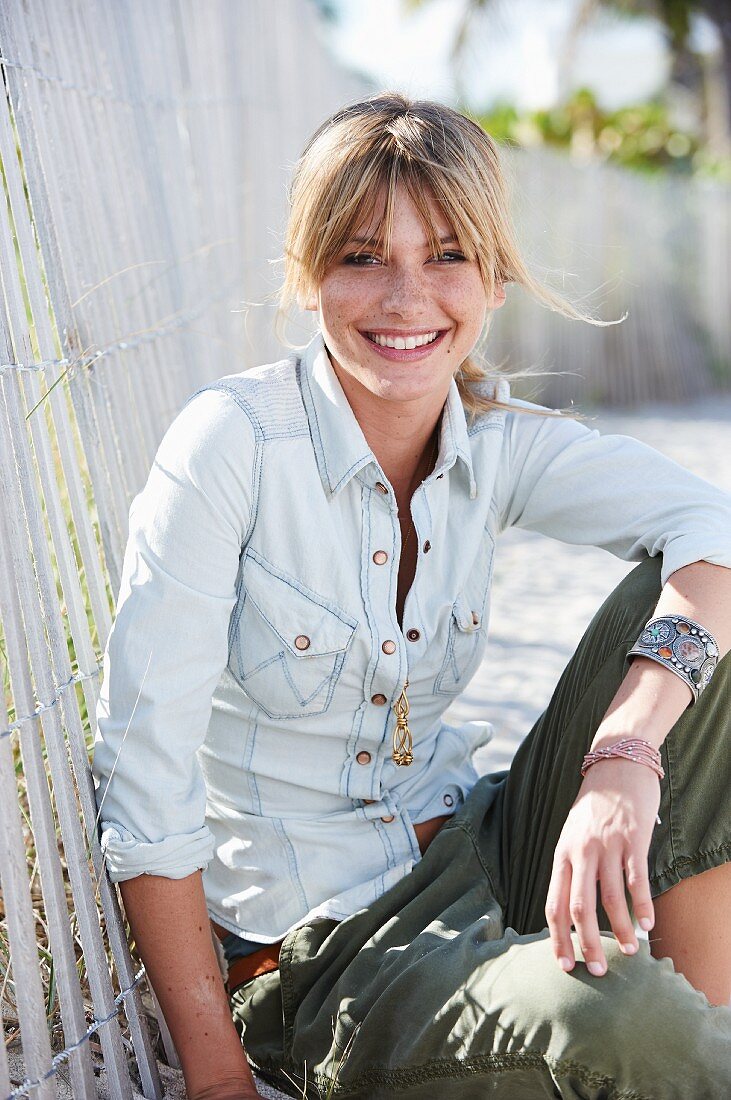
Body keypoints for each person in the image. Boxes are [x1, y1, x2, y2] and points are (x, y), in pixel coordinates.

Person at [92, 93, 731, 1100]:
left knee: (704, 614)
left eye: (445, 255)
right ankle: (674, 1047)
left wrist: (623, 755)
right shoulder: (229, 448)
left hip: (483, 854)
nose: (405, 297)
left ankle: (696, 1040)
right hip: (327, 960)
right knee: (615, 1020)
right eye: (360, 256)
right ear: (307, 274)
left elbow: (713, 526)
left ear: (491, 280)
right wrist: (217, 1078)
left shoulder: (498, 439)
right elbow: (144, 774)